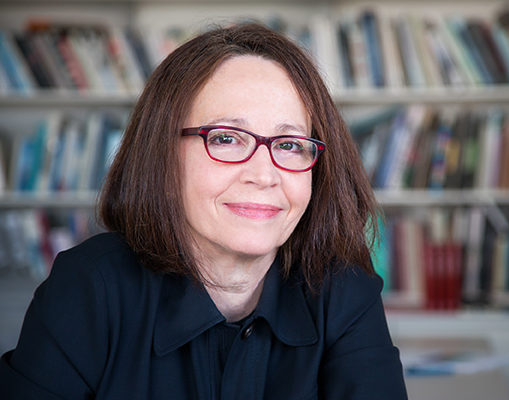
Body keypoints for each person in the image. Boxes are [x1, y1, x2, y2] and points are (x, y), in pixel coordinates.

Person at [0, 23, 408, 399]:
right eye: (227, 138)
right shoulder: (89, 287)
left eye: (288, 145)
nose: (264, 175)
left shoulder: (345, 292)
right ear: (162, 153)